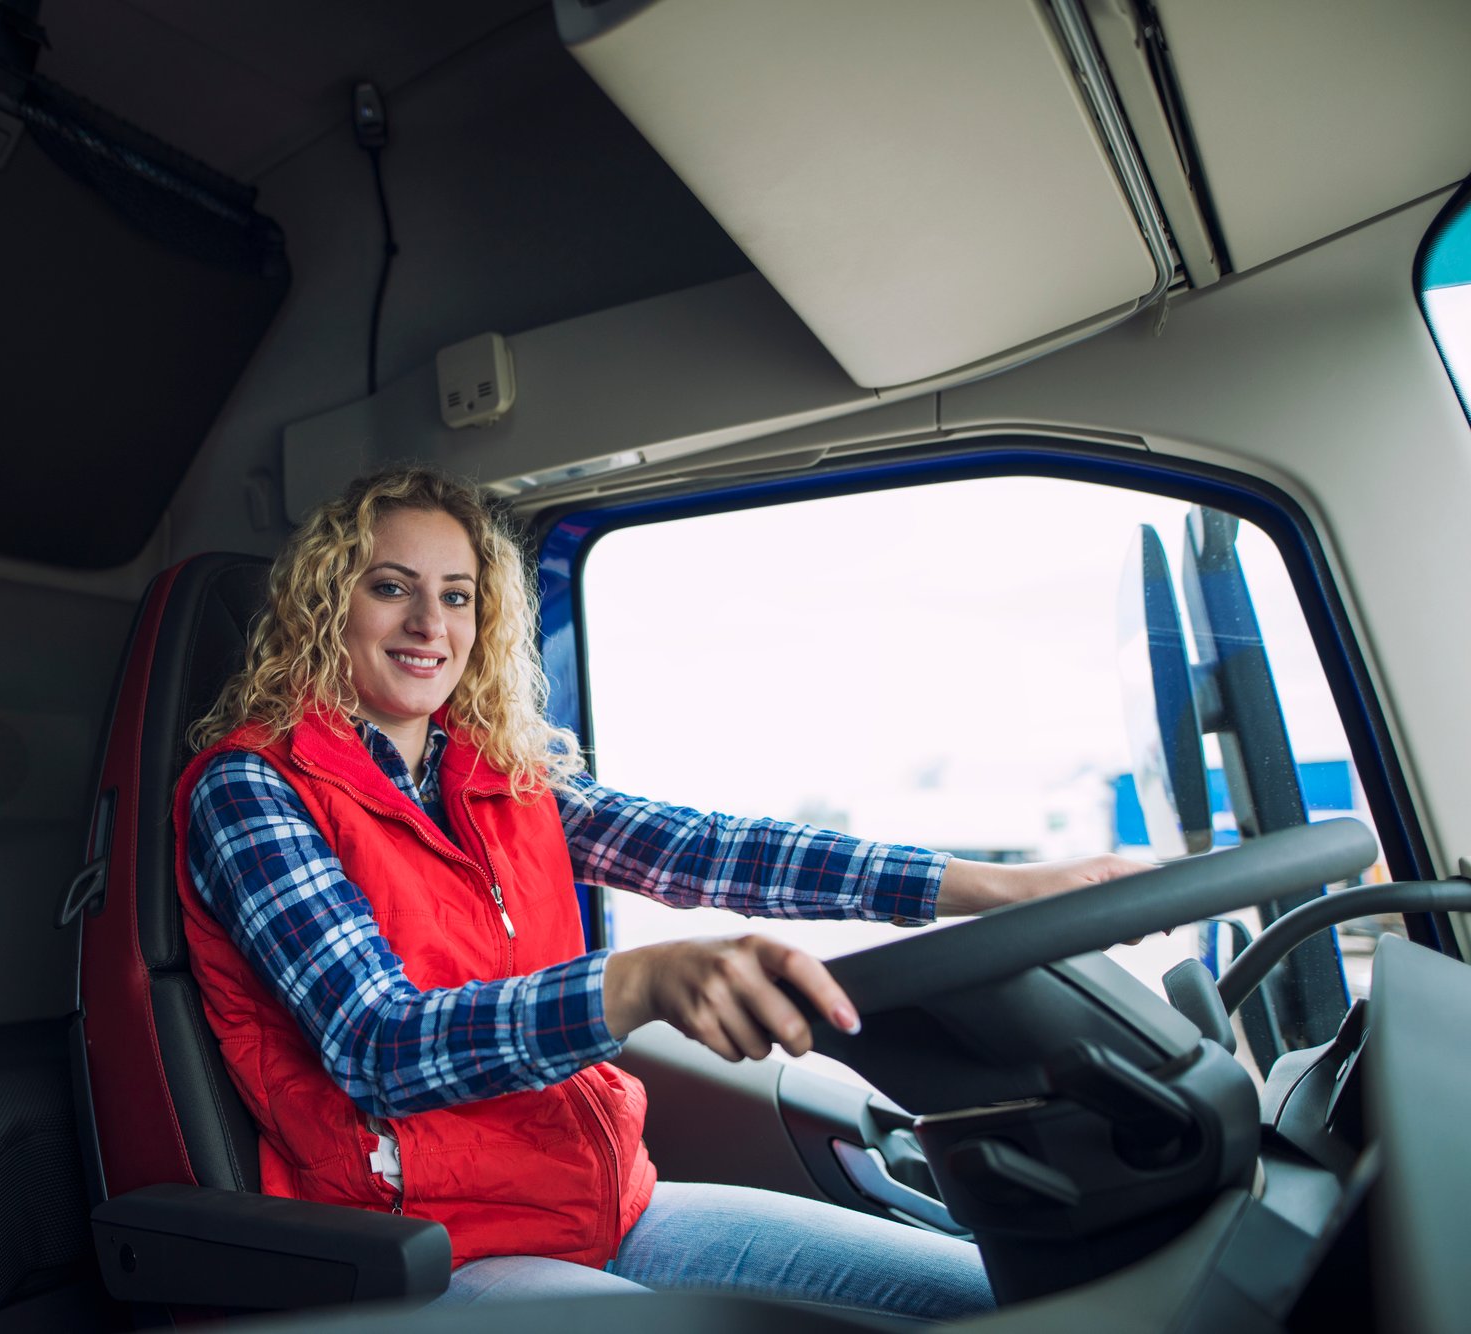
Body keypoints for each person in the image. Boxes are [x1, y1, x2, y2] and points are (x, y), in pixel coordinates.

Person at [174, 465, 1145, 1318]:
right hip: (437, 1246)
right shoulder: (250, 787)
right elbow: (377, 1041)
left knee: (984, 1296)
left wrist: (990, 886)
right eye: (392, 588)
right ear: (326, 605)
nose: (431, 623)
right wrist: (635, 983)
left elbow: (712, 852)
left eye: (458, 595)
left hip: (607, 1203)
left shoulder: (502, 776)